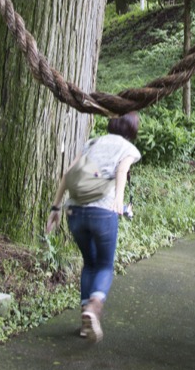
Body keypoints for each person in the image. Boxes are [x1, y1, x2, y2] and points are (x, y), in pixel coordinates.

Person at [46, 112, 141, 342]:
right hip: (103, 212)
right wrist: (118, 200)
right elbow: (121, 170)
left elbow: (68, 174)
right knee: (105, 265)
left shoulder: (93, 142)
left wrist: (55, 207)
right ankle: (95, 306)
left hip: (74, 212)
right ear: (132, 129)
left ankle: (84, 322)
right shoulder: (129, 149)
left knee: (89, 264)